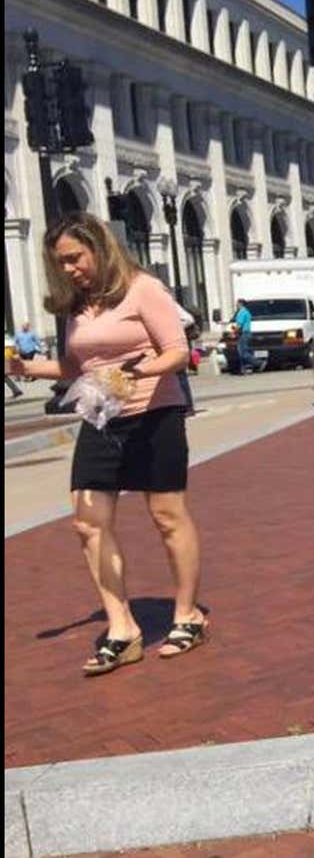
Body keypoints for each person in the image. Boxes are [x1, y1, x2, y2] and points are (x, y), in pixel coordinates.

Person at [7, 213, 208, 675]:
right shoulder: (78, 306)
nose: (69, 269)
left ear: (98, 246)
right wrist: (23, 370)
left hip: (155, 413)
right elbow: (76, 368)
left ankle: (187, 616)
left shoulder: (142, 289)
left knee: (166, 517)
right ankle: (123, 629)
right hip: (101, 418)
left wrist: (136, 373)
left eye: (74, 258)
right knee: (87, 522)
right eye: (61, 263)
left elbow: (177, 351)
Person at [230, 298, 253, 374]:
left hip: (243, 333)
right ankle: (247, 367)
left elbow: (239, 325)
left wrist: (233, 332)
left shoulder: (241, 312)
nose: (236, 305)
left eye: (237, 304)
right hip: (247, 333)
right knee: (245, 351)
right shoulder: (247, 312)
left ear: (240, 304)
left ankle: (257, 362)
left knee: (243, 352)